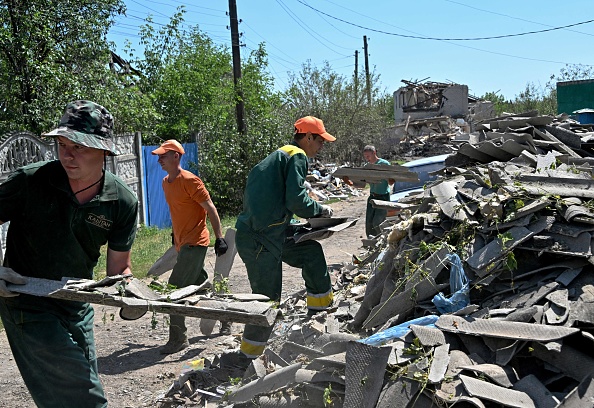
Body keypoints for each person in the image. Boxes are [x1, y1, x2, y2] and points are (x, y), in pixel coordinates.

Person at [0, 100, 139, 408]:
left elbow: (119, 269)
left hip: (76, 302)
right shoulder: (31, 181)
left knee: (80, 387)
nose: (67, 155)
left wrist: (134, 290)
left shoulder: (121, 201)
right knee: (86, 400)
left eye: (79, 147)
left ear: (103, 150)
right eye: (62, 145)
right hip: (26, 301)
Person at [226, 116, 335, 368]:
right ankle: (248, 359)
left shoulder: (279, 156)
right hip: (260, 240)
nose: (321, 146)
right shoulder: (297, 156)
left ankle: (320, 312)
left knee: (310, 251)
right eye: (320, 141)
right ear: (308, 137)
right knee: (266, 300)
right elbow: (296, 200)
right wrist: (320, 211)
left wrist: (295, 224)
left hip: (267, 233)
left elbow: (276, 200)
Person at [151, 139, 229, 354]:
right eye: (158, 156)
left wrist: (219, 237)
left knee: (174, 290)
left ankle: (179, 339)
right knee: (202, 288)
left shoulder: (191, 181)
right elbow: (178, 210)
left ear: (176, 156)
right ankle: (226, 317)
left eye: (162, 156)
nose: (159, 160)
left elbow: (210, 208)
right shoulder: (166, 182)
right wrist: (174, 234)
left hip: (195, 243)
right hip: (182, 243)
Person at [346, 145, 393, 238]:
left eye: (368, 156)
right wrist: (349, 183)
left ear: (374, 153)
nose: (367, 158)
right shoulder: (367, 167)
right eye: (365, 156)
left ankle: (381, 241)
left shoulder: (384, 164)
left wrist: (383, 175)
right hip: (372, 197)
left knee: (378, 222)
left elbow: (391, 182)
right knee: (369, 224)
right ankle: (371, 244)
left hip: (383, 197)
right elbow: (362, 185)